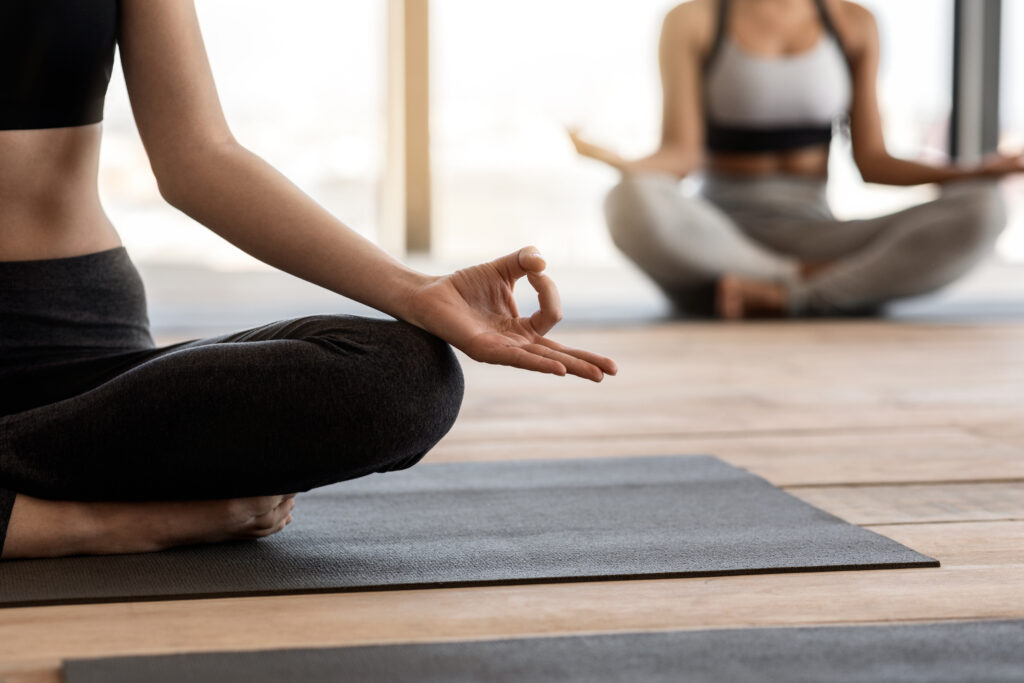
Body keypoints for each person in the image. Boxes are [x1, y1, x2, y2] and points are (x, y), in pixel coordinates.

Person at [0, 1, 617, 560]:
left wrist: (416, 292)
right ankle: (80, 522)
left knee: (406, 375)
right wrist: (119, 527)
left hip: (89, 357)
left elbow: (199, 157)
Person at [570, 0, 1023, 319]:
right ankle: (808, 283)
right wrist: (620, 163)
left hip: (815, 234)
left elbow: (874, 162)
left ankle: (782, 297)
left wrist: (976, 171)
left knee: (984, 207)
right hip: (717, 236)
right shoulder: (693, 18)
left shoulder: (853, 21)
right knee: (627, 200)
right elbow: (681, 154)